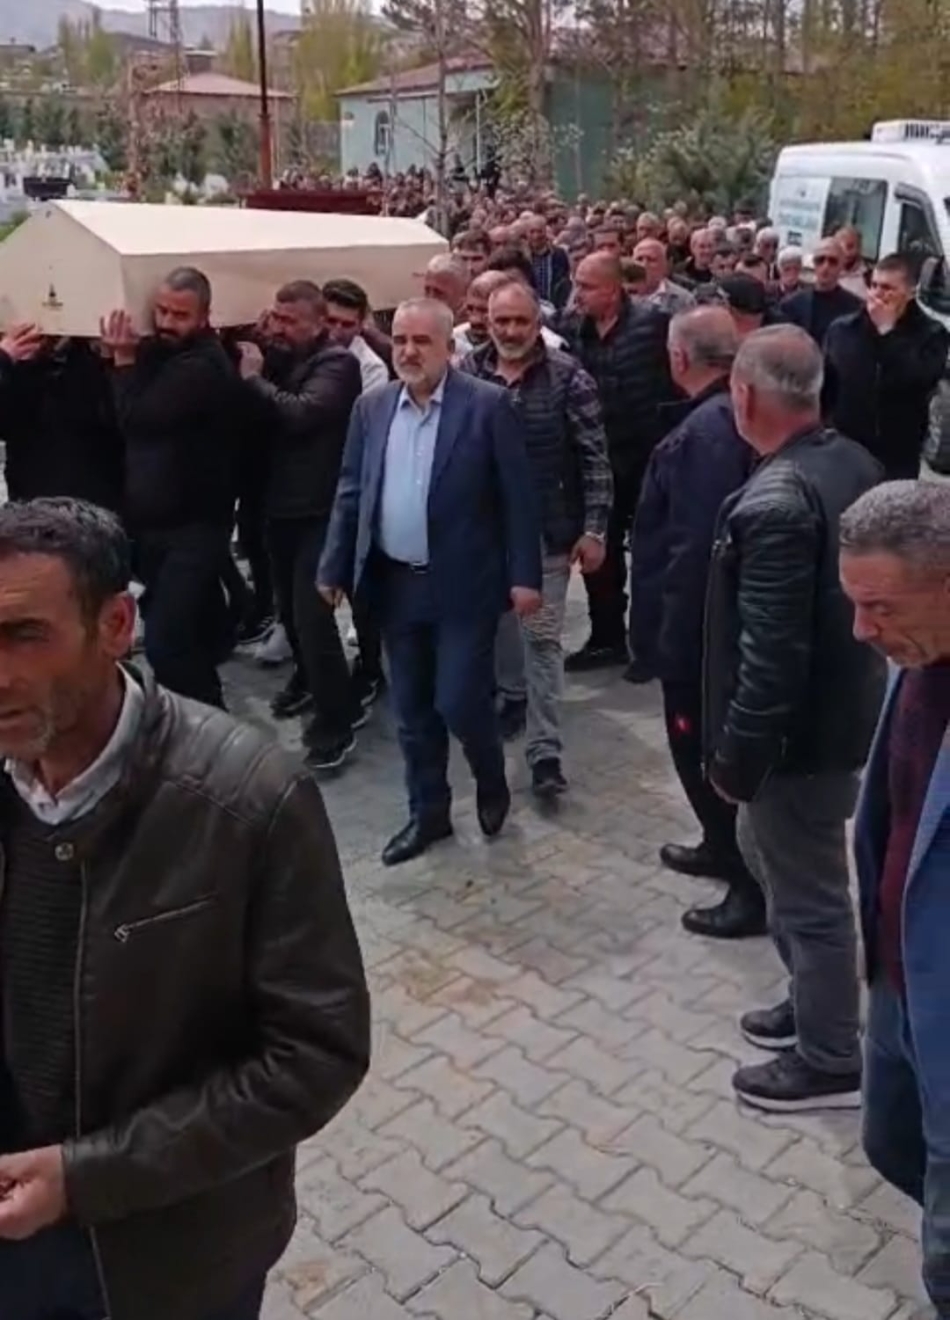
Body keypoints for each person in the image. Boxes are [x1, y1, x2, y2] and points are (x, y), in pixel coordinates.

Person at [0, 498, 369, 1320]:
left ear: (116, 626)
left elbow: (315, 1057)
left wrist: (87, 1177)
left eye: (25, 636)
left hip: (174, 1257)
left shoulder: (248, 802)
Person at [705, 325, 885, 1111]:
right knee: (771, 860)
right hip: (833, 720)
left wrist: (739, 756)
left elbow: (770, 652)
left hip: (798, 743)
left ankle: (830, 1057)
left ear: (744, 396)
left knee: (810, 895)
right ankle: (815, 1001)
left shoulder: (778, 500)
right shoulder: (850, 460)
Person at [318, 299, 541, 866]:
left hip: (464, 584)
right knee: (412, 710)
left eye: (422, 341)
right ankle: (429, 813)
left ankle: (490, 776)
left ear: (449, 347)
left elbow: (518, 497)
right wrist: (334, 565)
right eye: (400, 340)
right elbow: (351, 489)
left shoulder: (487, 406)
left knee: (459, 700)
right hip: (395, 585)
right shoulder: (371, 408)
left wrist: (525, 576)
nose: (409, 351)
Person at [839, 480, 950, 1319]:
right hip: (898, 986)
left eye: (880, 607)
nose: (861, 630)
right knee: (892, 1143)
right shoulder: (917, 655)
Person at [630, 307, 765, 939]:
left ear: (679, 358)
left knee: (701, 751)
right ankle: (719, 844)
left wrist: (672, 640)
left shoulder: (703, 435)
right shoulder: (722, 418)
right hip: (712, 629)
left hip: (699, 637)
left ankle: (747, 883)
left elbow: (693, 547)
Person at [461, 281, 612, 796]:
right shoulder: (466, 372)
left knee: (543, 641)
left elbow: (594, 458)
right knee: (499, 633)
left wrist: (594, 529)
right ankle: (511, 697)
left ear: (537, 323)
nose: (509, 331)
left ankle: (545, 752)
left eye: (519, 321)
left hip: (549, 534)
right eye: (500, 321)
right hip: (483, 535)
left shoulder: (569, 377)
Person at [100, 267, 242, 710]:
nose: (165, 322)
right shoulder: (166, 353)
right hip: (158, 525)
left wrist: (123, 359)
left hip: (194, 527)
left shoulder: (203, 366)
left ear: (204, 316)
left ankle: (205, 726)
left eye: (180, 315)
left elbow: (139, 420)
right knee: (191, 628)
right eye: (160, 310)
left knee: (167, 644)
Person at [239, 280, 363, 773]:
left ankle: (337, 721)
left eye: (290, 321)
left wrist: (253, 378)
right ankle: (311, 682)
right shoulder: (286, 356)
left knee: (313, 619)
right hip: (280, 507)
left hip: (320, 510)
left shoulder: (338, 364)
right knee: (289, 613)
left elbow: (302, 414)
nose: (280, 328)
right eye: (277, 317)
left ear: (318, 323)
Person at [561, 252, 676, 675]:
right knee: (599, 554)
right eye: (576, 284)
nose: (578, 294)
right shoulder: (574, 329)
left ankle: (651, 645)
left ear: (612, 290)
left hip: (647, 455)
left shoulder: (653, 326)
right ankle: (606, 637)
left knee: (650, 554)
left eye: (587, 286)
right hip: (598, 458)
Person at [824, 253, 950, 481]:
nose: (878, 294)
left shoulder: (931, 334)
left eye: (888, 288)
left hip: (897, 453)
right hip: (846, 448)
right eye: (874, 285)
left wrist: (888, 333)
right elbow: (828, 383)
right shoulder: (844, 329)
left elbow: (921, 378)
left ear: (910, 292)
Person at [0, 329, 124, 516]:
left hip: (92, 502)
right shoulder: (18, 363)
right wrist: (5, 360)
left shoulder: (91, 361)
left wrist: (111, 358)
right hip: (29, 503)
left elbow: (121, 417)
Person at [779, 237, 863, 345]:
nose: (825, 266)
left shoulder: (856, 308)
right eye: (820, 260)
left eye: (832, 261)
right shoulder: (791, 305)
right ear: (814, 264)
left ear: (842, 266)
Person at [323, 278, 390, 393]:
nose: (337, 330)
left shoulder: (371, 369)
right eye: (331, 321)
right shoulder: (301, 345)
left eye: (347, 325)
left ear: (360, 327)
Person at [632, 238, 695, 315]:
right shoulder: (621, 296)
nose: (644, 265)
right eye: (639, 259)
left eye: (651, 260)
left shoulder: (683, 300)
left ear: (664, 265)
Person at [524, 212, 572, 310]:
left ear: (546, 231)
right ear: (526, 234)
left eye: (539, 231)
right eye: (532, 232)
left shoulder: (559, 254)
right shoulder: (522, 257)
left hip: (555, 307)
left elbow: (564, 280)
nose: (536, 236)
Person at [835, 224, 869, 300]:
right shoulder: (829, 274)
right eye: (840, 247)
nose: (846, 252)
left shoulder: (868, 278)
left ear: (859, 248)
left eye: (850, 247)